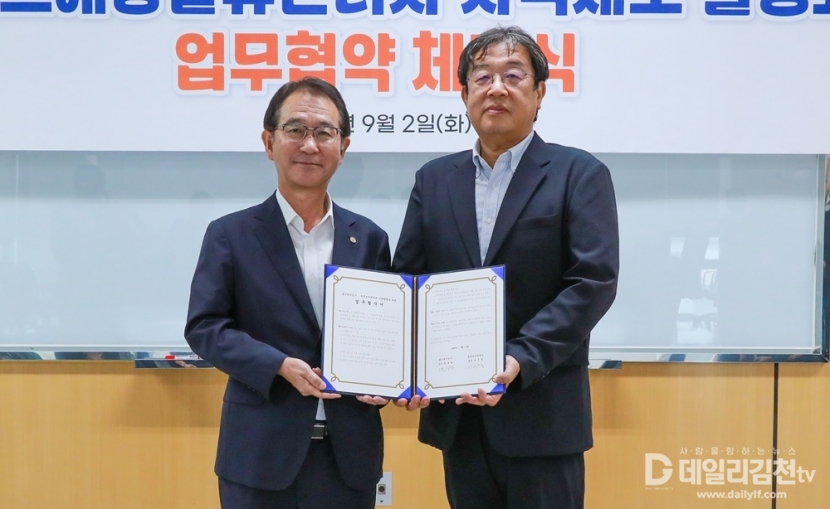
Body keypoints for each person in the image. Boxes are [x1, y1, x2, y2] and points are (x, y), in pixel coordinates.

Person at [393, 26, 620, 509]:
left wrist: (518, 358)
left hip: (543, 415)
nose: (496, 88)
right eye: (482, 77)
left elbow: (592, 282)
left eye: (513, 76)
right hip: (458, 417)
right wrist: (405, 368)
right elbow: (409, 284)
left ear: (539, 93)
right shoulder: (433, 180)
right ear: (465, 94)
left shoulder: (579, 174)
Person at [185, 77, 391, 509]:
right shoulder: (230, 234)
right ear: (269, 141)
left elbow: (387, 335)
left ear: (343, 146)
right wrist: (276, 364)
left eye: (324, 132)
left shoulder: (370, 239)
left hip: (349, 457)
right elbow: (205, 327)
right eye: (295, 129)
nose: (309, 145)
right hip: (259, 454)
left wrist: (389, 381)